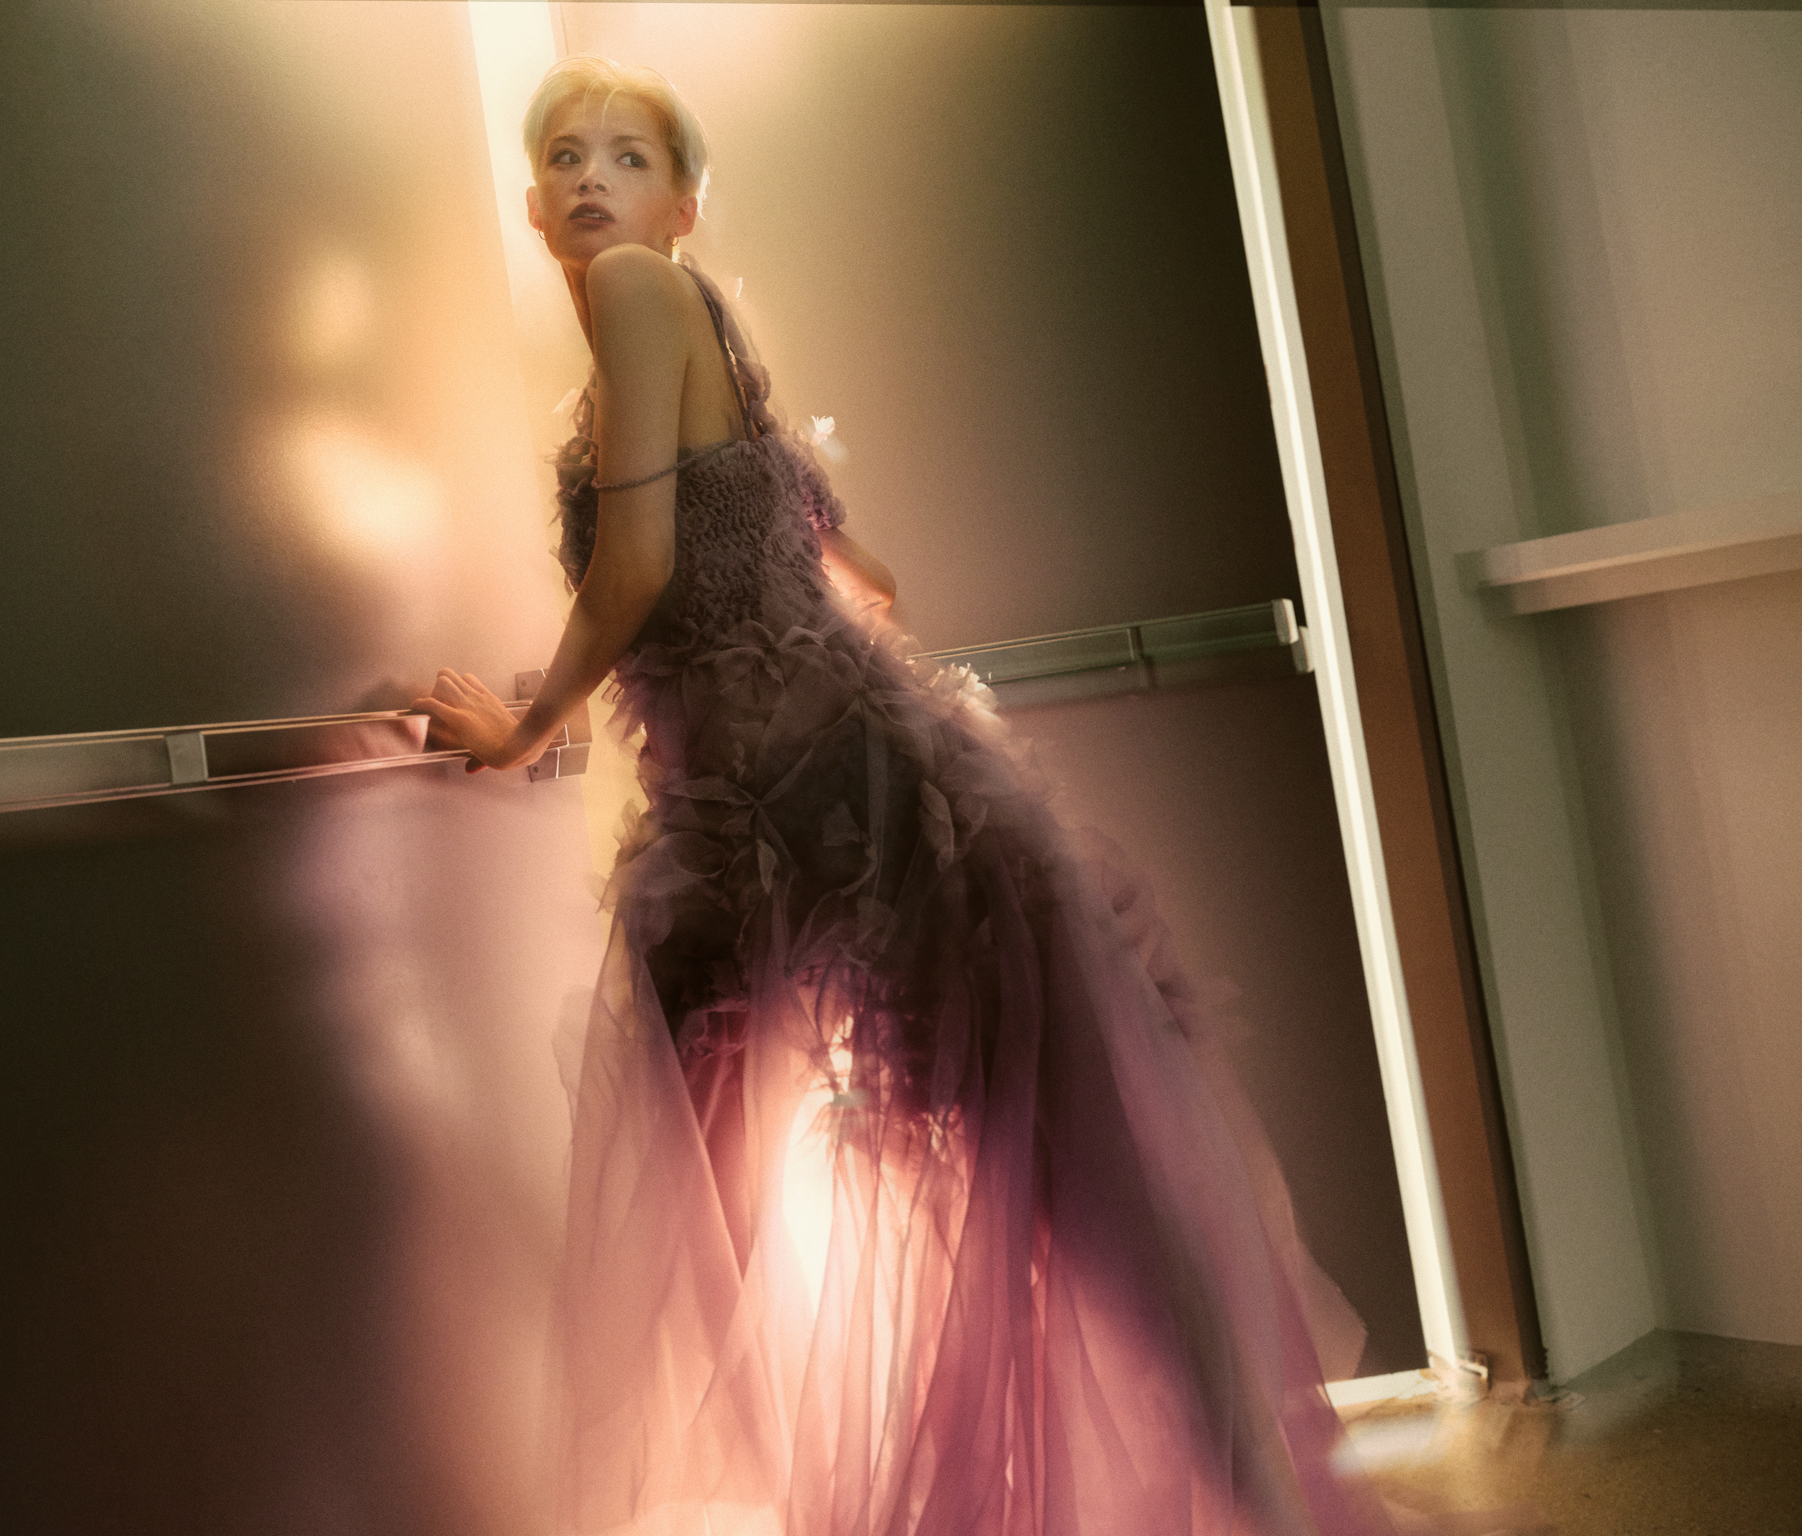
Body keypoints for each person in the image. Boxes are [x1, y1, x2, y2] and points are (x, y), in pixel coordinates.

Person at [416, 56, 1396, 1536]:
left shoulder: (635, 293)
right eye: (564, 155)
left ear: (682, 206)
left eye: (628, 155)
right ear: (532, 203)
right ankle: (1243, 1495)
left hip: (848, 809)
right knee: (1021, 1173)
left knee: (1038, 1173)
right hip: (779, 818)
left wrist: (524, 726)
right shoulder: (691, 345)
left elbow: (638, 568)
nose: (590, 178)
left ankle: (1260, 1502)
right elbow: (855, 567)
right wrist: (787, 620)